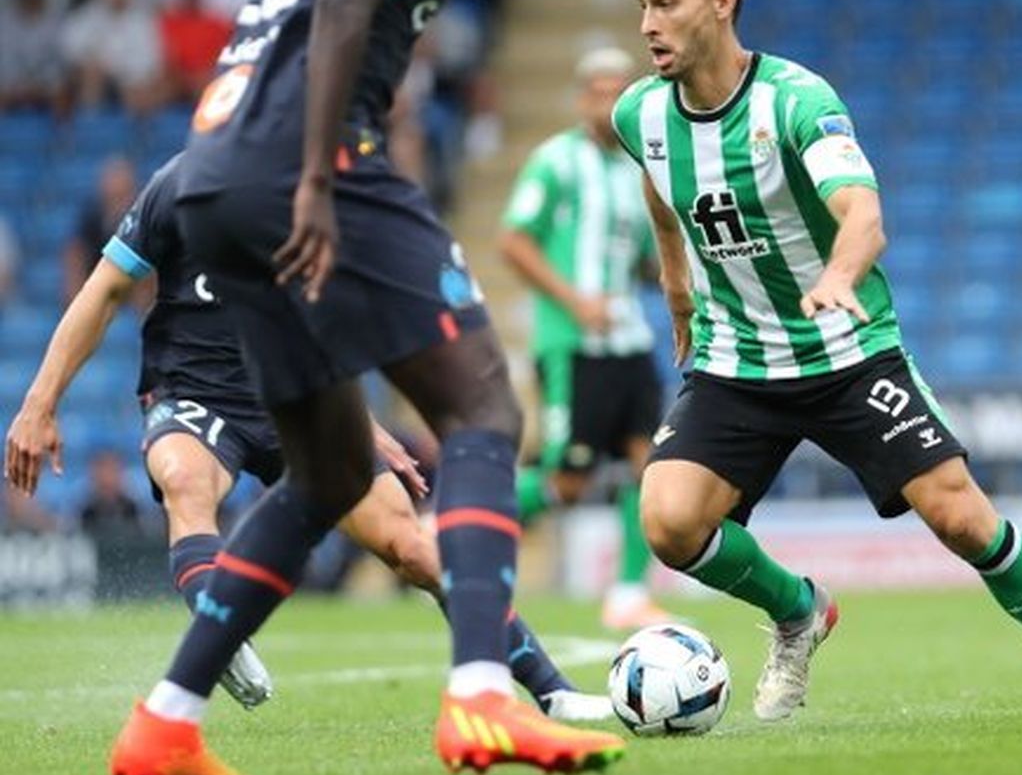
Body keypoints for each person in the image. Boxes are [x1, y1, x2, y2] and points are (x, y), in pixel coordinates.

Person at [100, 0, 624, 775]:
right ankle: (482, 700)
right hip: (314, 160)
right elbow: (345, 0)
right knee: (481, 408)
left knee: (330, 470)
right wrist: (313, 179)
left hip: (212, 176)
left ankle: (163, 724)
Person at [613, 0, 1022, 726]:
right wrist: (679, 297)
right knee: (670, 521)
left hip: (846, 350)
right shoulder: (639, 116)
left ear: (722, 3)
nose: (649, 24)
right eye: (642, 6)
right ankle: (798, 611)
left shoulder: (796, 102)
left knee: (962, 518)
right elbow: (665, 205)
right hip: (737, 364)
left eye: (666, 3)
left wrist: (837, 276)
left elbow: (862, 214)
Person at [5, 155, 611, 722]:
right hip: (192, 389)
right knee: (186, 480)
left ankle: (554, 692)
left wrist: (364, 424)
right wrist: (40, 402)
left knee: (413, 547)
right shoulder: (182, 184)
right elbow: (104, 289)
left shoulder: (330, 201)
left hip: (297, 398)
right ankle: (221, 629)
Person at [499, 45, 669, 631]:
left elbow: (645, 260)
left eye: (618, 90)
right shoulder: (556, 162)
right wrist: (575, 300)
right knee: (567, 481)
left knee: (651, 466)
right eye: (598, 90)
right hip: (571, 343)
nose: (608, 101)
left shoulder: (635, 172)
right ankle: (459, 532)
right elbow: (515, 241)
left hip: (630, 340)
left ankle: (627, 592)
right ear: (580, 98)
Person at [61, 155, 139, 304]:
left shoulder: (144, 215)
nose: (116, 190)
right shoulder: (91, 214)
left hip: (133, 288)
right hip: (95, 288)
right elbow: (74, 253)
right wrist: (78, 302)